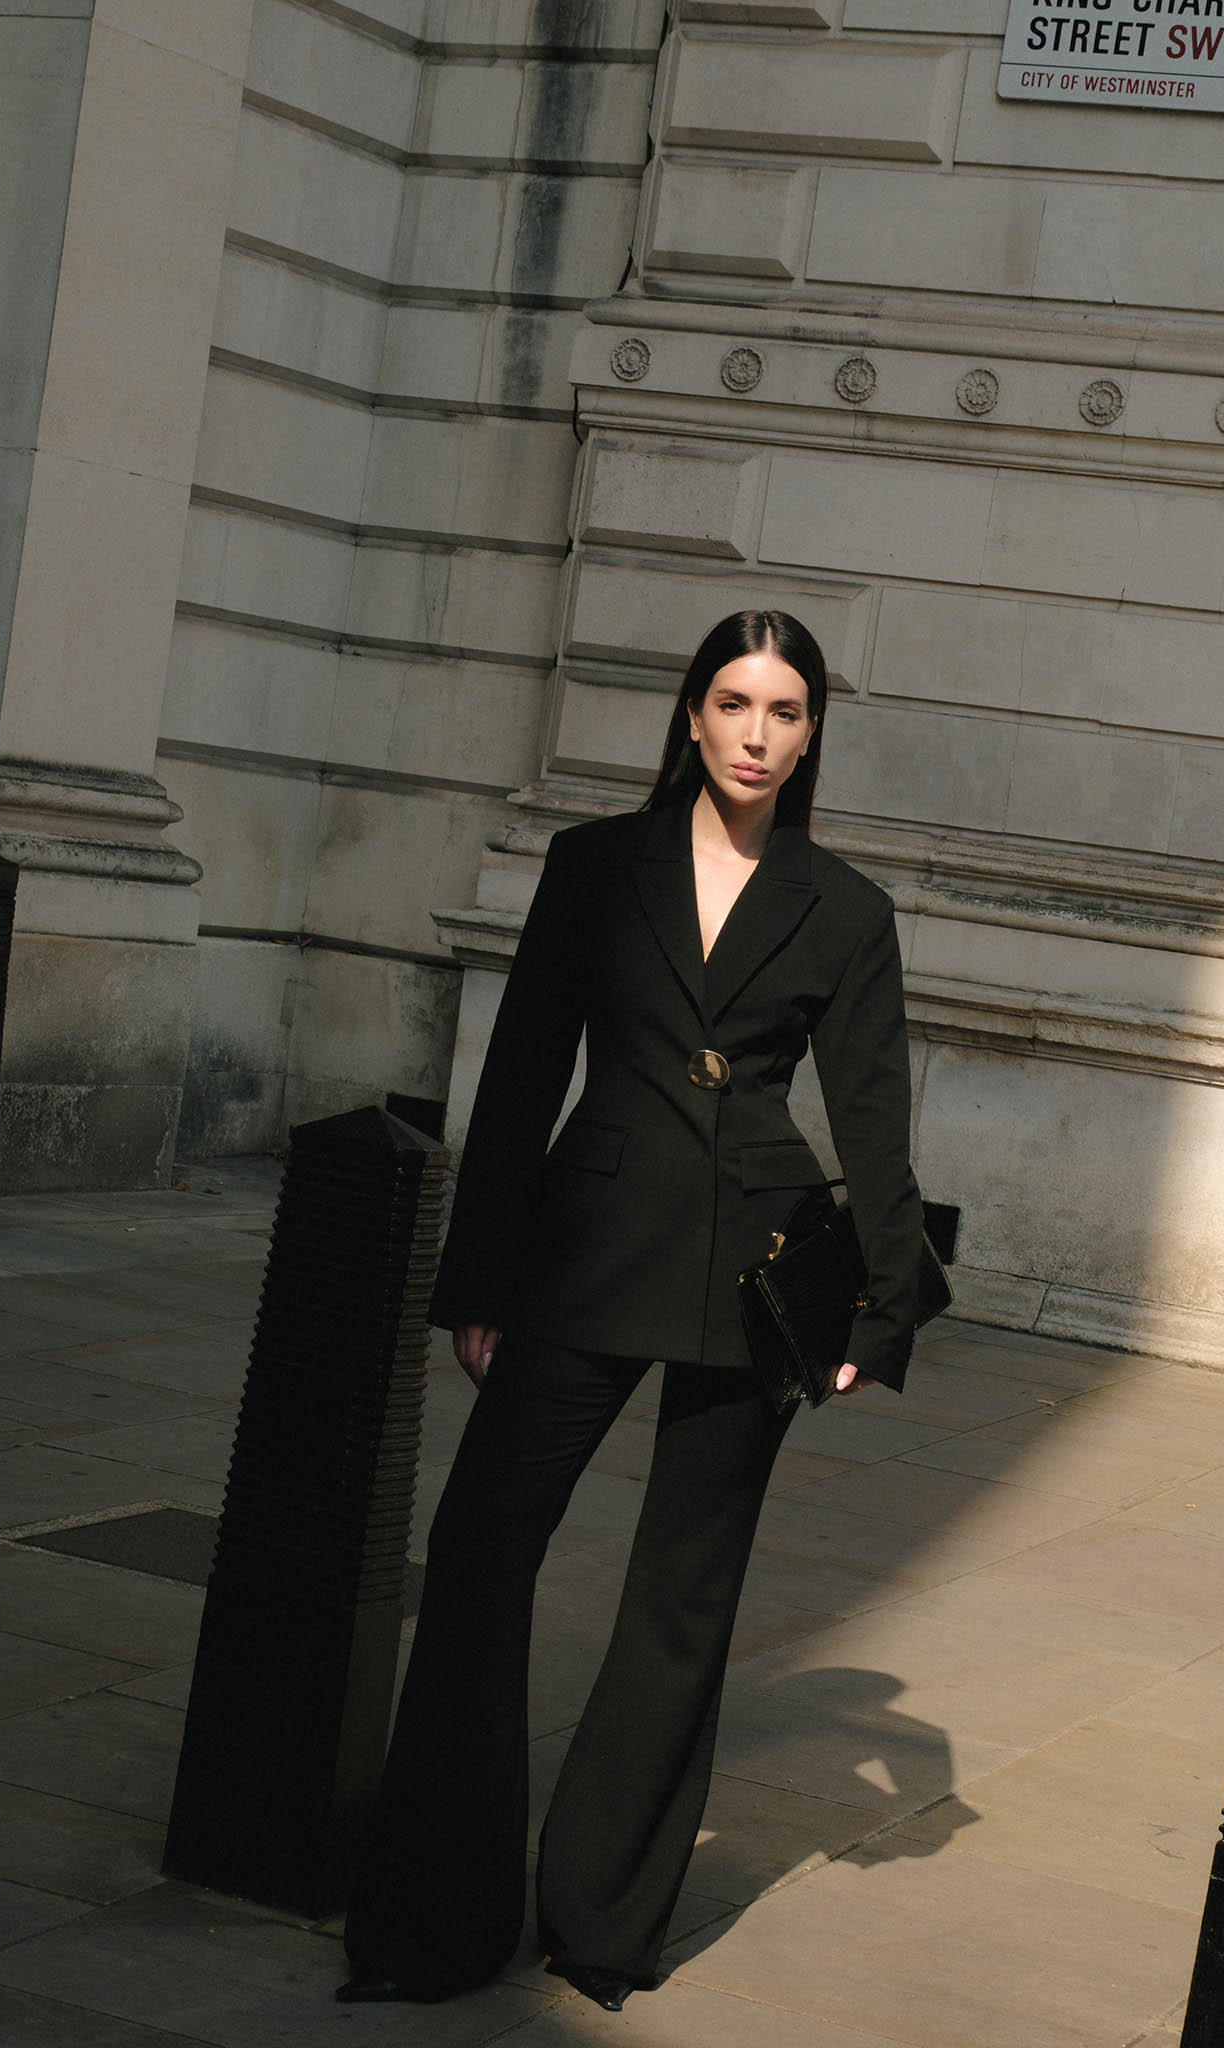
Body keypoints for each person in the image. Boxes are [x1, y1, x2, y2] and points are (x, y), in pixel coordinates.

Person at [338, 609, 923, 2011]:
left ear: (813, 731)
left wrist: (880, 1311)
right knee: (480, 1544)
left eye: (786, 711)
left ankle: (599, 1920)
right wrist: (480, 1277)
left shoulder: (847, 910)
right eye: (735, 702)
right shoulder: (595, 865)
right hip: (590, 1247)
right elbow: (527, 1060)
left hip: (756, 1272)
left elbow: (877, 1119)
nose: (758, 734)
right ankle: (436, 1912)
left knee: (682, 1597)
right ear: (690, 714)